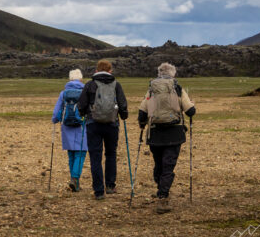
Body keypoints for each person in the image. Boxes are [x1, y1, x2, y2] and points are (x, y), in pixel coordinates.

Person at [138, 62, 195, 214]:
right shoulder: (177, 88)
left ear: (159, 73)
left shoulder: (152, 89)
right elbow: (190, 111)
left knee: (159, 163)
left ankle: (160, 187)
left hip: (155, 133)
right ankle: (163, 196)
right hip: (174, 132)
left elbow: (142, 112)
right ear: (173, 73)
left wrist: (142, 125)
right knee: (168, 165)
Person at [77, 59, 128, 200]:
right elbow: (123, 104)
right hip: (112, 124)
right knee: (111, 154)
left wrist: (84, 115)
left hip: (93, 124)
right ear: (110, 70)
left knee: (95, 157)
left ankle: (99, 191)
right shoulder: (116, 84)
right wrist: (123, 116)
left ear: (96, 70)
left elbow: (81, 105)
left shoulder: (90, 84)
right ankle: (110, 186)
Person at [51, 69, 87, 192]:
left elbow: (57, 111)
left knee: (71, 153)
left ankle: (74, 181)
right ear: (81, 79)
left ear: (70, 79)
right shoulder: (85, 92)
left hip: (67, 126)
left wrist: (54, 120)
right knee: (80, 153)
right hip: (82, 126)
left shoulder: (64, 93)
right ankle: (75, 179)